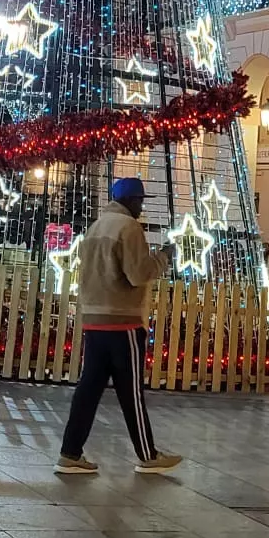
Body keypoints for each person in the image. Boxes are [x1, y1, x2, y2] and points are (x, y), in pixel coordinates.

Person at [55, 178, 181, 475]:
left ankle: (70, 452)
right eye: (140, 201)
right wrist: (163, 257)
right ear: (132, 200)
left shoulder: (96, 227)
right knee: (131, 393)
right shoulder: (128, 228)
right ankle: (148, 456)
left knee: (88, 390)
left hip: (94, 320)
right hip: (122, 321)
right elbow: (138, 275)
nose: (142, 207)